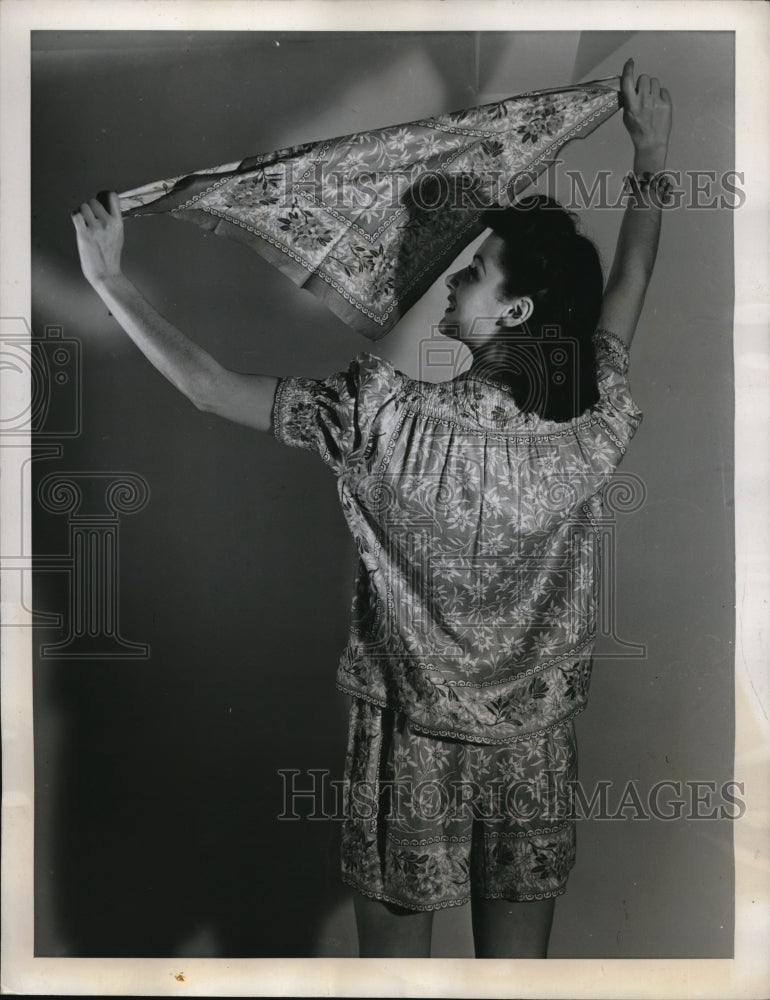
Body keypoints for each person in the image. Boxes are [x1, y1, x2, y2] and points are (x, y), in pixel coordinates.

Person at [72, 59, 672, 958]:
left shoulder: (382, 416)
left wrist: (112, 283)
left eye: (474, 272)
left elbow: (208, 389)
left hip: (408, 741)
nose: (454, 279)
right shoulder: (592, 417)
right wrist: (651, 154)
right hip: (533, 748)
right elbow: (630, 284)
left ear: (514, 310)